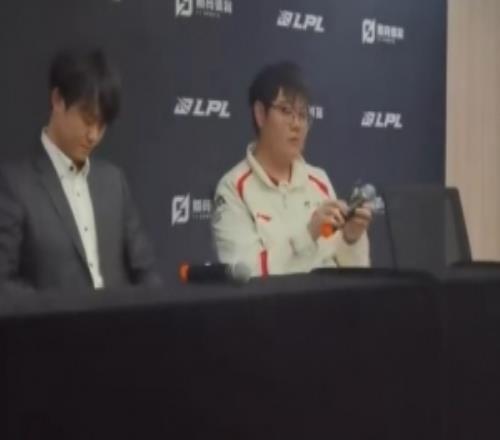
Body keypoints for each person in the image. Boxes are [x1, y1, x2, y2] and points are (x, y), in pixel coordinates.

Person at [0, 48, 162, 292]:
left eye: (102, 125)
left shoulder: (114, 182)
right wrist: (59, 309)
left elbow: (146, 272)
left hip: (120, 316)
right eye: (87, 119)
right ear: (57, 100)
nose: (93, 135)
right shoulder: (14, 185)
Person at [211, 61, 372, 277]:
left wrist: (351, 239)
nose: (297, 124)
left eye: (303, 114)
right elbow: (245, 275)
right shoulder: (232, 189)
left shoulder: (318, 180)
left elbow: (353, 277)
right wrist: (308, 234)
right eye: (286, 111)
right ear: (260, 114)